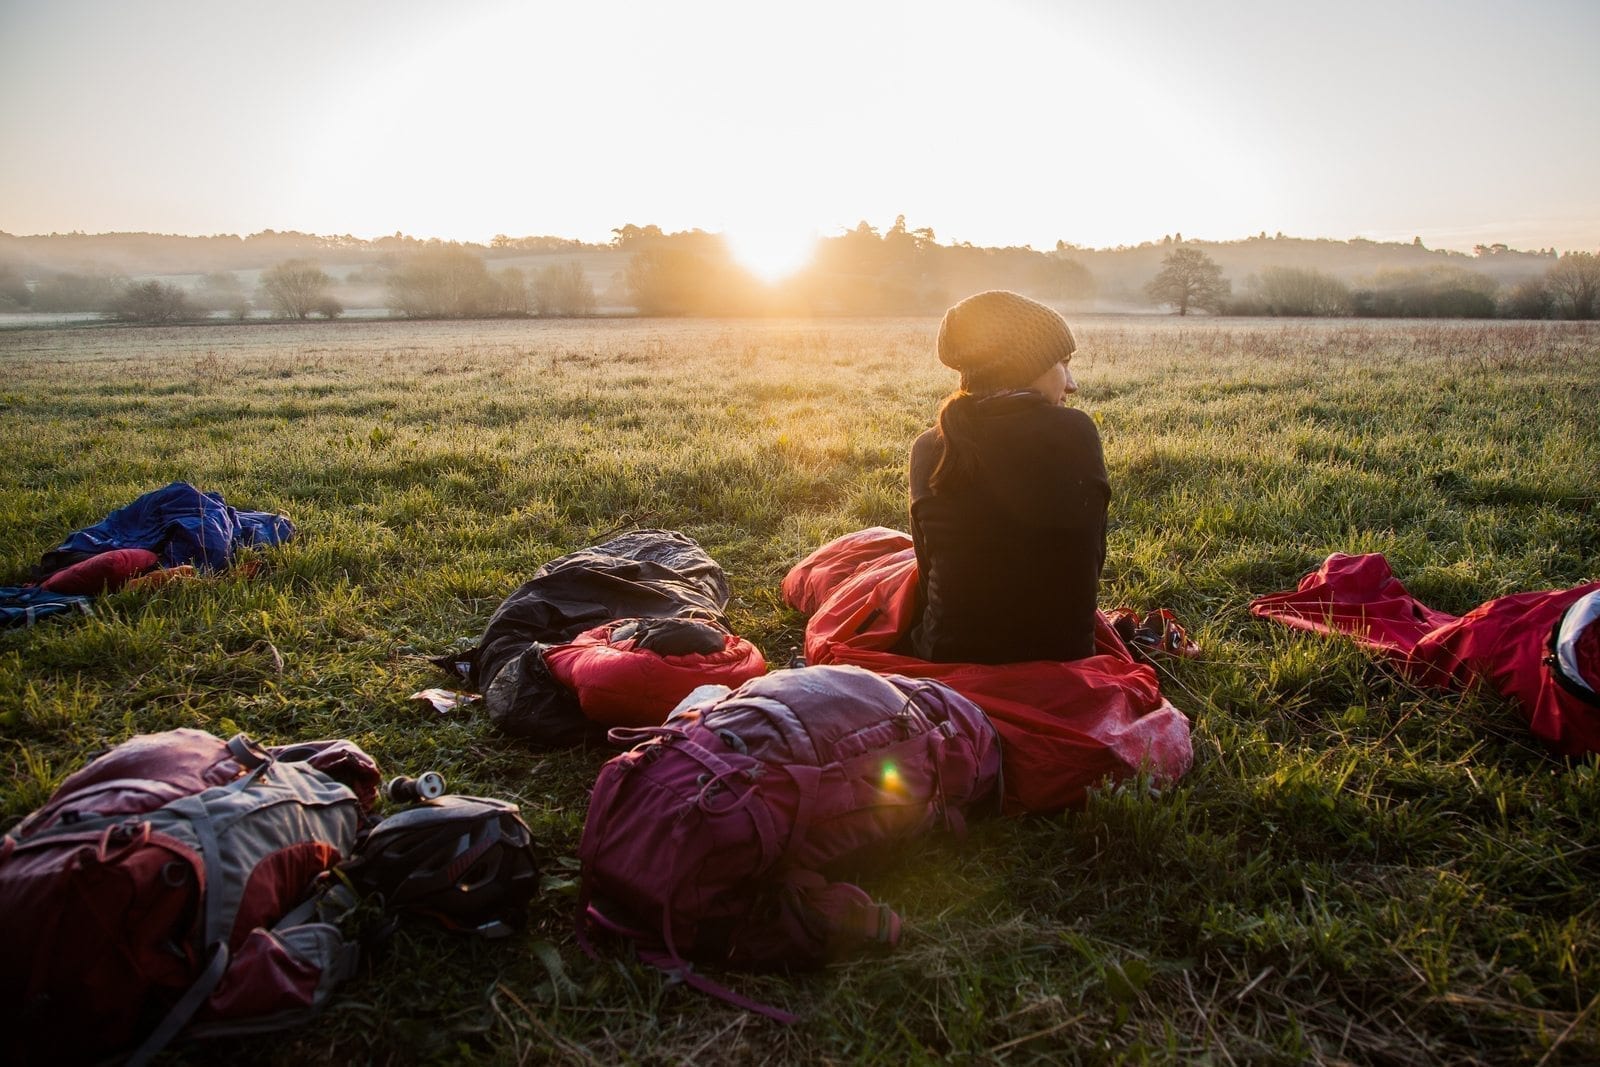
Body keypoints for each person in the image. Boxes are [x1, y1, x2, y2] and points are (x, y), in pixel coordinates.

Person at [904, 290, 1109, 664]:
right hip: (1067, 656)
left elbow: (926, 570)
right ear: (1029, 365)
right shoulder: (1077, 432)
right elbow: (1089, 564)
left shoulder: (929, 448)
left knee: (888, 568)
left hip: (947, 657)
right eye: (1063, 363)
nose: (1072, 384)